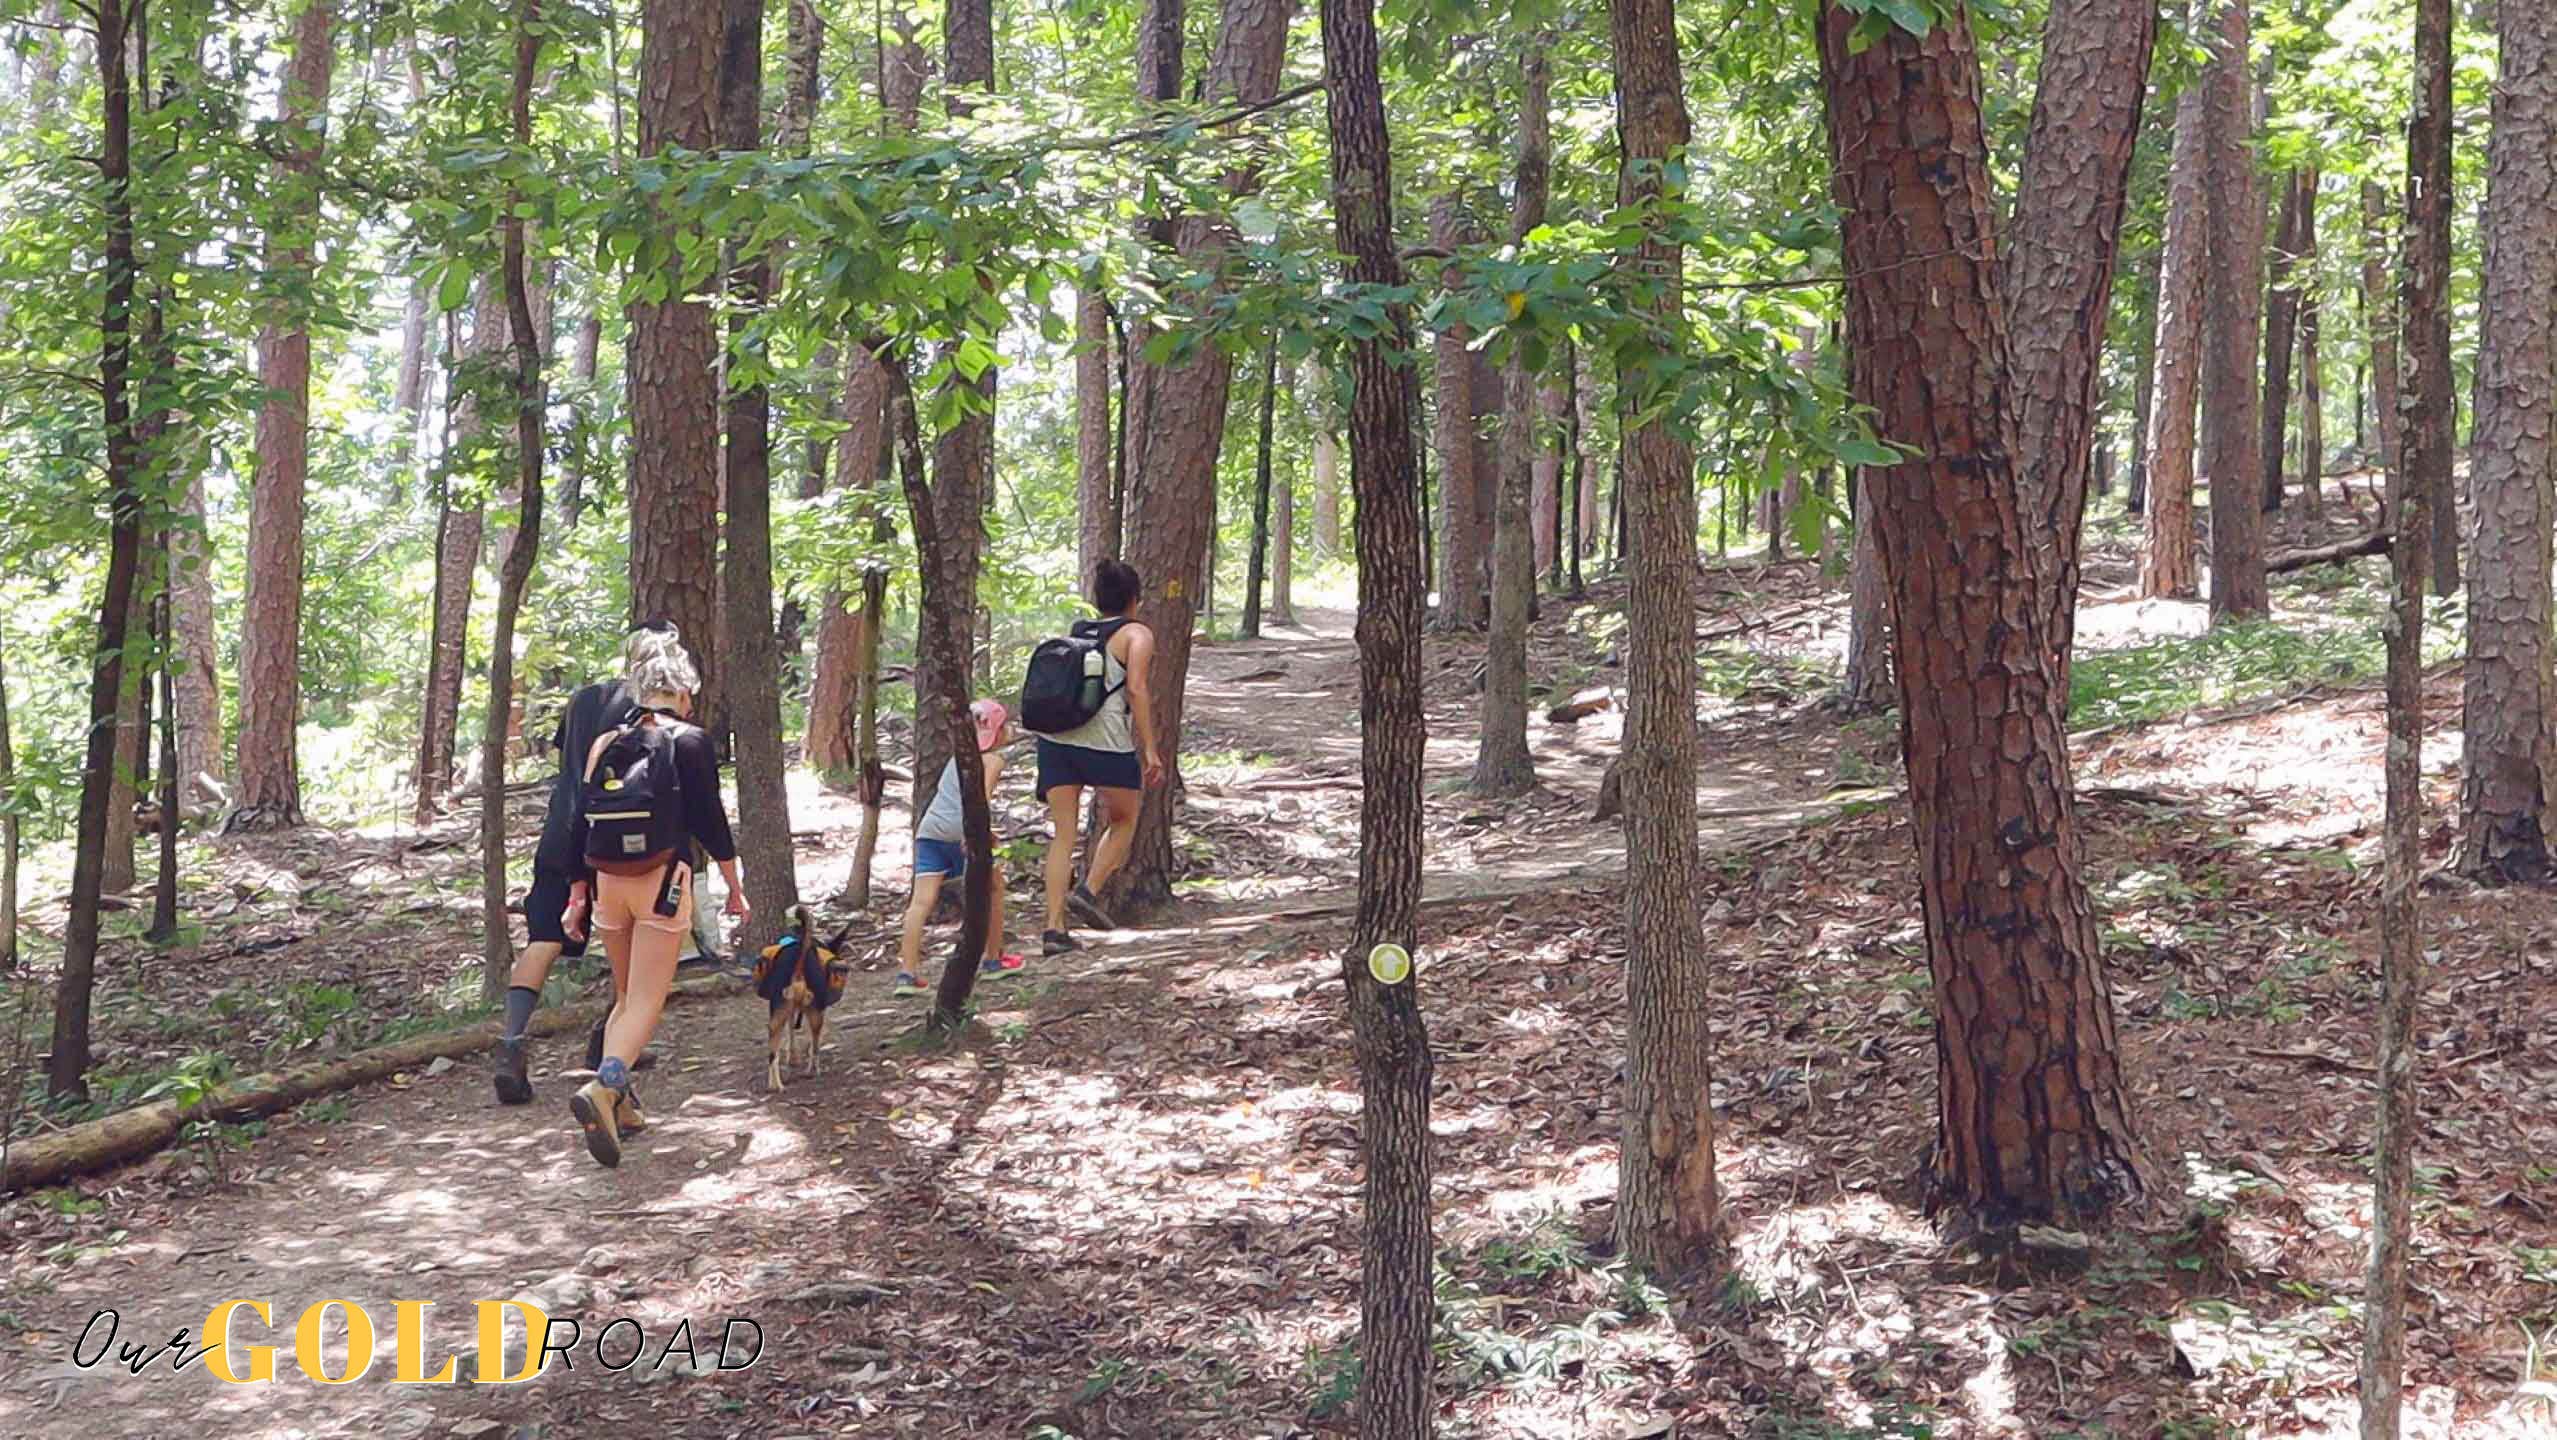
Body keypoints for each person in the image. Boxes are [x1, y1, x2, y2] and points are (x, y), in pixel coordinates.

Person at [560, 639, 748, 1168]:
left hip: (605, 883)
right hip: (661, 880)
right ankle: (606, 1084)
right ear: (684, 693)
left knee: (625, 996)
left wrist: (577, 893)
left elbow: (580, 823)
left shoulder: (604, 744)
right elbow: (710, 820)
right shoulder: (690, 741)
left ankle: (622, 1110)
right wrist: (735, 886)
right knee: (647, 999)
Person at [493, 620, 672, 1106]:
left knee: (544, 937)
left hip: (561, 826)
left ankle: (512, 1044)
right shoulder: (646, 710)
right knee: (628, 939)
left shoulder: (583, 697)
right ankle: (613, 1045)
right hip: (614, 834)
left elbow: (564, 758)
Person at [1033, 559, 1163, 957]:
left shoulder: (1079, 631)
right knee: (1125, 818)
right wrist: (1151, 748)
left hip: (1056, 739)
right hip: (1106, 740)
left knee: (1063, 835)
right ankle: (1088, 889)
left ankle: (1054, 929)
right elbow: (1137, 688)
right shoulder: (1136, 633)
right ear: (1135, 600)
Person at [893, 698, 1025, 994]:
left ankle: (907, 973)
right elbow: (981, 797)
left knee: (921, 902)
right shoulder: (993, 760)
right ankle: (993, 959)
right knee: (994, 888)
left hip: (930, 830)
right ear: (997, 731)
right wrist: (978, 833)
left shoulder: (958, 757)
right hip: (962, 830)